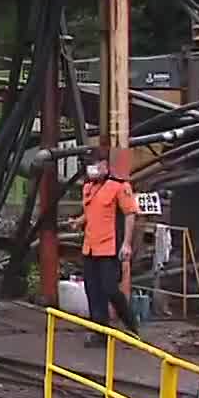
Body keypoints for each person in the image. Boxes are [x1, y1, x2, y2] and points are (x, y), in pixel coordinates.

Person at [79, 146, 141, 346]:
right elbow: (91, 213)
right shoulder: (88, 187)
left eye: (95, 164)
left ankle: (131, 325)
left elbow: (131, 214)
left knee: (110, 289)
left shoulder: (118, 187)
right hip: (89, 247)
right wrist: (78, 221)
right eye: (89, 164)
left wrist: (127, 244)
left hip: (109, 247)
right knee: (92, 291)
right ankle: (100, 332)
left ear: (105, 165)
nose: (92, 168)